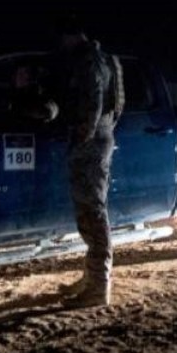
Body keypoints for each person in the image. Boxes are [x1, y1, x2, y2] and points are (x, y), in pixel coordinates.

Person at [55, 16, 125, 306]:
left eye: (63, 38)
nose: (61, 43)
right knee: (89, 212)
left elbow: (93, 103)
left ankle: (98, 287)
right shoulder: (106, 59)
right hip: (101, 136)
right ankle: (92, 277)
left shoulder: (88, 61)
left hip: (91, 143)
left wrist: (82, 138)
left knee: (93, 213)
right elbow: (117, 105)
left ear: (71, 35)